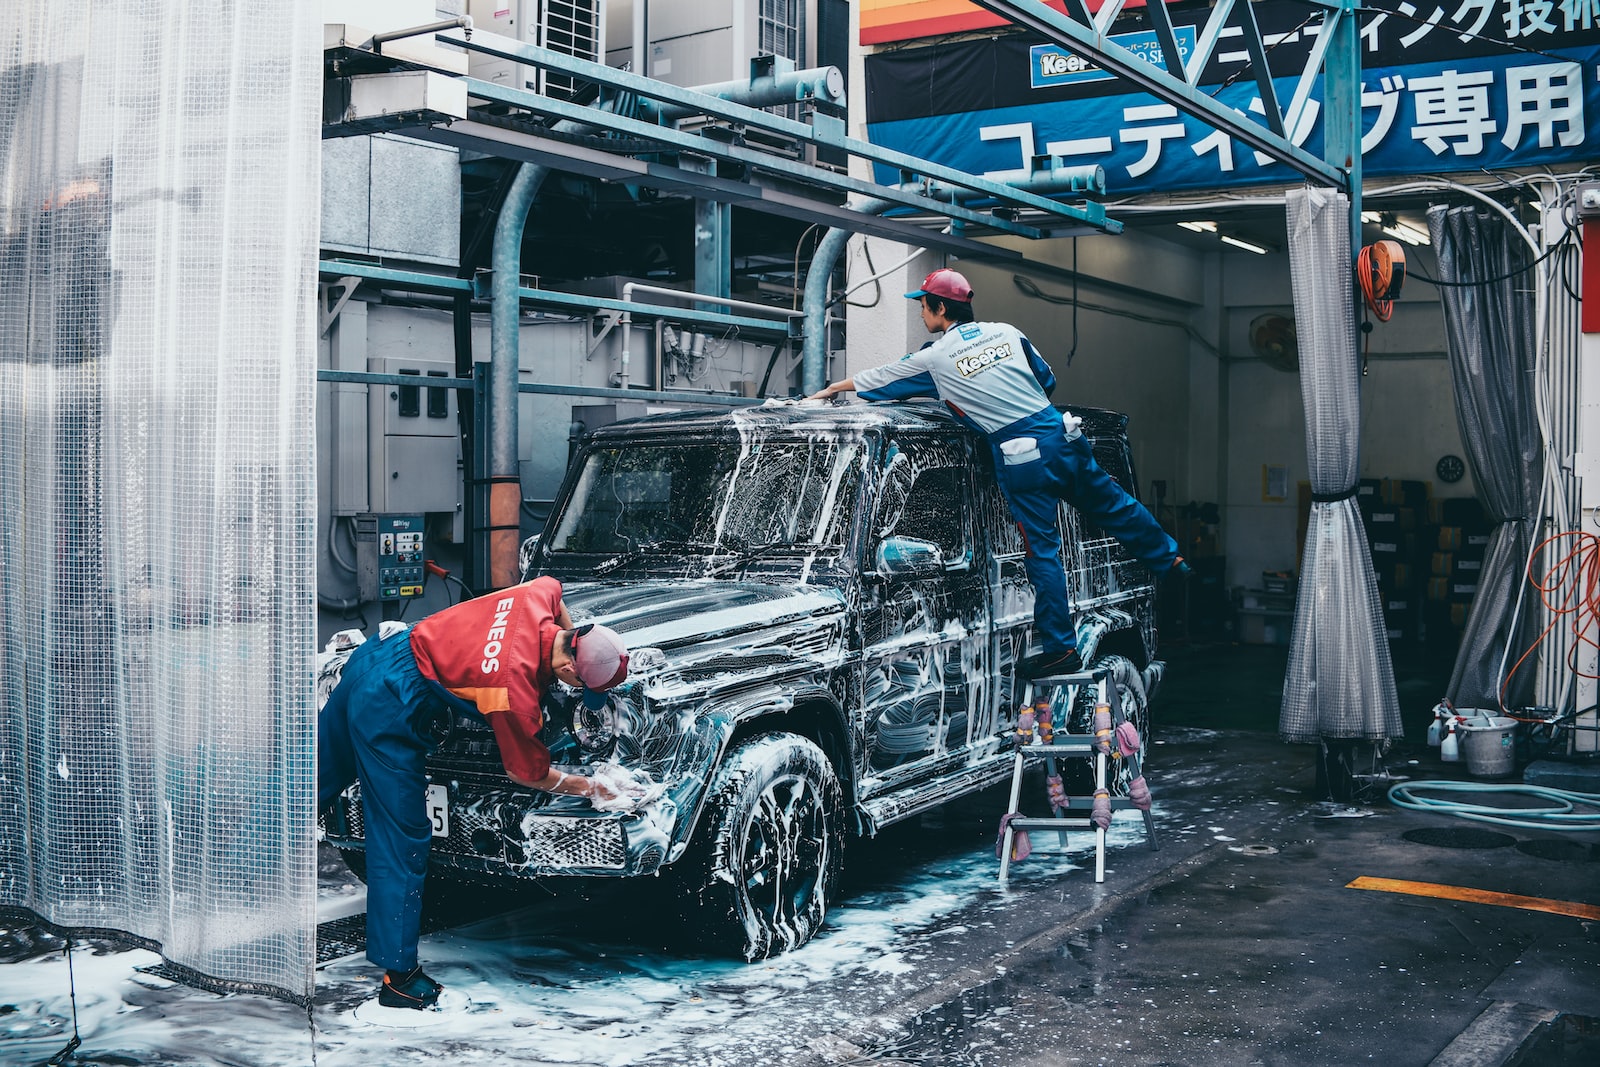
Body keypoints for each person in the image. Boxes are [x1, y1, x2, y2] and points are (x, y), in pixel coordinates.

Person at [808, 267, 1187, 679]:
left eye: (922, 305)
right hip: (1062, 433)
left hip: (1022, 454)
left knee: (1043, 551)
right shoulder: (1007, 332)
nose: (921, 313)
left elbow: (880, 380)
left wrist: (830, 390)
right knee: (1114, 504)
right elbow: (1047, 379)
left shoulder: (934, 358)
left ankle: (1061, 651)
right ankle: (1170, 557)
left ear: (939, 307)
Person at [317, 575, 636, 1009]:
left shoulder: (534, 599)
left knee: (309, 784)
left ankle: (230, 849)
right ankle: (401, 982)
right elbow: (527, 772)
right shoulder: (513, 690)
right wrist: (592, 787)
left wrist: (569, 637)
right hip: (390, 703)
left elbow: (554, 588)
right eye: (579, 684)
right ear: (568, 668)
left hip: (378, 654)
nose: (575, 691)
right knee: (401, 838)